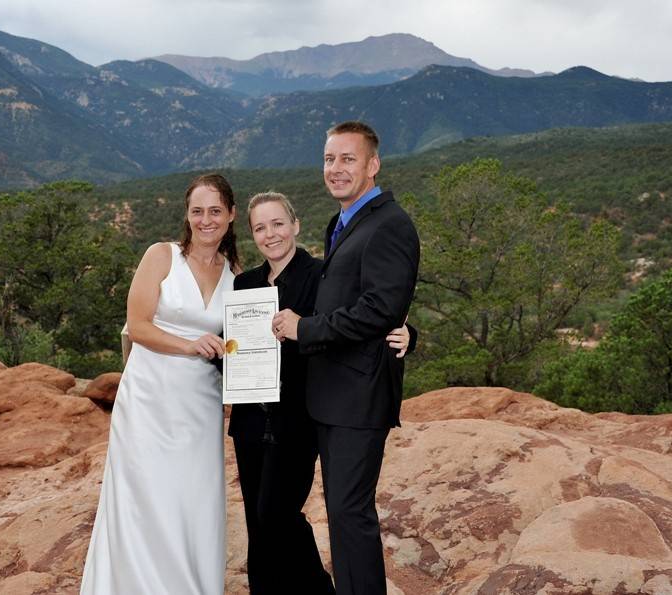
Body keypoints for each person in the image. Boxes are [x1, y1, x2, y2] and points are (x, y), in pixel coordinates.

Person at [230, 192, 415, 595]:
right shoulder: (243, 284)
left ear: (295, 225)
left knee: (277, 513)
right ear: (252, 236)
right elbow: (236, 347)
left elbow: (362, 318)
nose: (270, 234)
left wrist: (407, 333)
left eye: (278, 223)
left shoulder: (320, 276)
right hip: (249, 416)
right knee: (258, 524)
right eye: (260, 227)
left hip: (299, 414)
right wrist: (219, 349)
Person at [273, 121, 420, 595]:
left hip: (358, 397)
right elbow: (362, 300)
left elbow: (380, 309)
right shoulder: (343, 222)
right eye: (329, 159)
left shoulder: (390, 224)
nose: (335, 169)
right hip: (331, 394)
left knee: (351, 515)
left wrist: (306, 328)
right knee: (342, 512)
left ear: (372, 165)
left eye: (347, 159)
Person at [81, 173, 238, 595]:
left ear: (231, 215)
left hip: (200, 406)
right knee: (146, 498)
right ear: (187, 216)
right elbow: (137, 326)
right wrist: (190, 346)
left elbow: (239, 339)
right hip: (149, 401)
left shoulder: (235, 273)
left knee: (193, 501)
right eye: (197, 211)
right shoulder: (162, 256)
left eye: (215, 211)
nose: (206, 220)